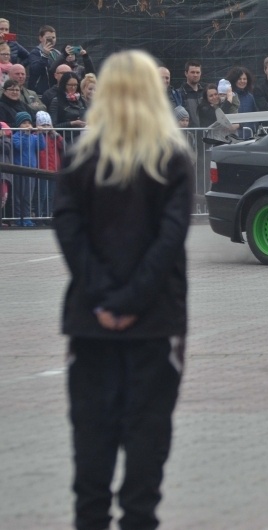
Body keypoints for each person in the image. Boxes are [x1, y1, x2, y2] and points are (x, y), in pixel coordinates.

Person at [53, 49, 192, 530]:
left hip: (91, 322)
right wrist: (132, 300)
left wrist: (103, 298)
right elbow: (169, 239)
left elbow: (70, 235)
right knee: (145, 453)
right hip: (155, 322)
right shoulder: (172, 159)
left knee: (91, 449)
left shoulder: (79, 158)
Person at [11, 111, 43, 226]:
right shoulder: (15, 136)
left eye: (29, 122)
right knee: (19, 196)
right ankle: (19, 218)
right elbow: (18, 147)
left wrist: (39, 134)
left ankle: (27, 218)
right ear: (18, 125)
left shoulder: (33, 137)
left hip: (31, 170)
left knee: (28, 196)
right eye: (24, 123)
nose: (27, 125)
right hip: (19, 170)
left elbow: (41, 146)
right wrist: (24, 135)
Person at [36, 110, 63, 218]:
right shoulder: (36, 135)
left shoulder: (54, 136)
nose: (46, 127)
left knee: (51, 196)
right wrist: (38, 133)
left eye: (48, 124)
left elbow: (63, 147)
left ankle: (48, 215)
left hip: (54, 169)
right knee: (41, 195)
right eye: (43, 125)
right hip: (41, 169)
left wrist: (57, 135)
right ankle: (39, 215)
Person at [48, 71, 87, 144]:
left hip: (82, 139)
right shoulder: (56, 101)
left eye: (75, 85)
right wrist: (72, 123)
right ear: (64, 85)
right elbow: (53, 126)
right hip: (66, 141)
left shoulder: (81, 100)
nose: (73, 88)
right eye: (70, 85)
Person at [27, 25, 62, 95]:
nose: (52, 40)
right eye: (48, 38)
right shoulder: (35, 52)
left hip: (55, 91)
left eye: (53, 37)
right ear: (40, 38)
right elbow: (35, 70)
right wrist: (45, 55)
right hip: (39, 93)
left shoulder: (57, 53)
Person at [178, 60, 204, 128]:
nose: (195, 75)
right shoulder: (179, 94)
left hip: (206, 134)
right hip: (187, 135)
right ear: (186, 73)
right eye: (192, 72)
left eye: (198, 72)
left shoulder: (205, 93)